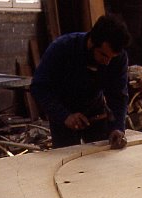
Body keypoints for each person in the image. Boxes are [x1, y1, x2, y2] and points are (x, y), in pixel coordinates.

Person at [31, 15, 131, 149]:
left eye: (112, 58)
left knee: (103, 160)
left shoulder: (117, 57)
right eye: (103, 55)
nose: (107, 62)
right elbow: (39, 87)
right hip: (63, 112)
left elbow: (118, 95)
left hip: (96, 113)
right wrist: (64, 116)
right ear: (92, 42)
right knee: (67, 160)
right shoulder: (62, 48)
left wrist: (118, 127)